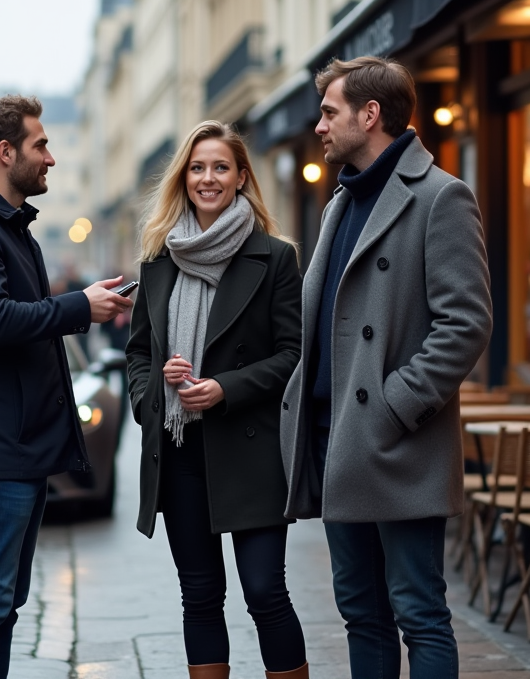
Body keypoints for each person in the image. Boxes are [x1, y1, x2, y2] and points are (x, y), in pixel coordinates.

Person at [279, 57, 492, 679]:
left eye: (329, 113)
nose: (319, 127)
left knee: (418, 612)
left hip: (396, 445)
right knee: (361, 615)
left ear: (370, 115)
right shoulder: (340, 205)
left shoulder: (441, 197)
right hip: (336, 442)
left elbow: (467, 323)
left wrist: (395, 405)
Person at [0, 94, 133, 679]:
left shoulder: (9, 228)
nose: (51, 158)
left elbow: (24, 314)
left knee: (4, 605)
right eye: (40, 145)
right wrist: (78, 306)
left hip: (20, 447)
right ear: (5, 153)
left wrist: (81, 302)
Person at [127, 121, 308, 679]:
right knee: (200, 596)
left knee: (264, 592)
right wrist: (157, 391)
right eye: (198, 168)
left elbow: (293, 354)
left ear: (241, 178)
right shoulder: (158, 260)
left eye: (221, 167)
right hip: (181, 455)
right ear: (184, 178)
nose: (208, 178)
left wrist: (225, 388)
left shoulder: (274, 257)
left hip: (250, 452)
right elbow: (137, 356)